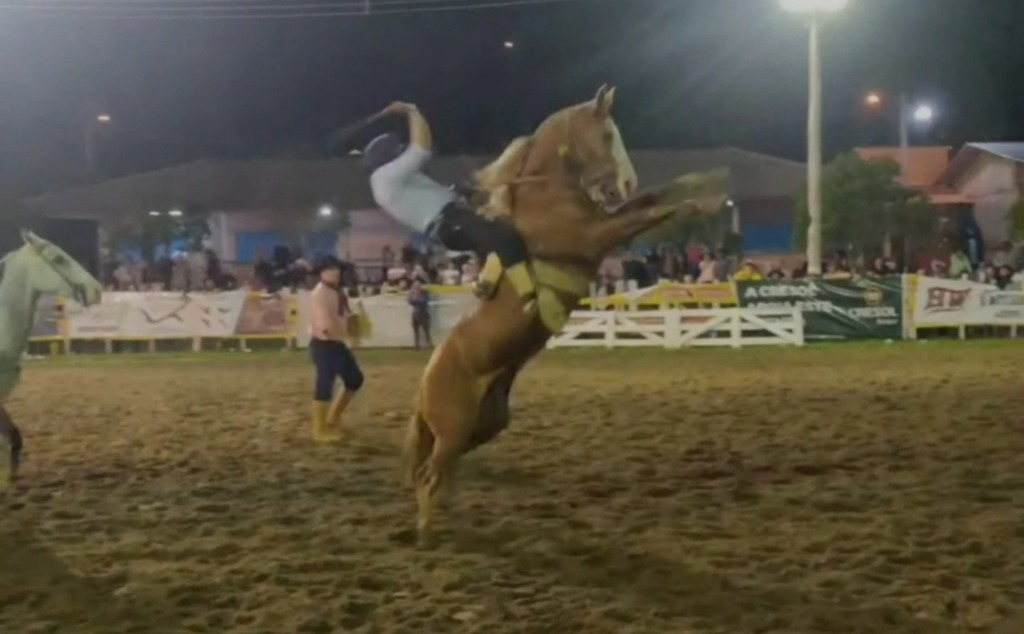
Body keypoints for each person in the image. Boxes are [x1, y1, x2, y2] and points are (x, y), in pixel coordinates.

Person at [364, 101, 535, 310]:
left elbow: (436, 194)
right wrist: (412, 111)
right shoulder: (385, 177)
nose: (402, 152)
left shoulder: (391, 184)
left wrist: (459, 191)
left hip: (448, 223)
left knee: (500, 229)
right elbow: (421, 147)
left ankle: (487, 283)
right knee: (506, 237)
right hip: (449, 221)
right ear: (388, 157)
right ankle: (528, 298)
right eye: (398, 150)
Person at [308, 256, 364, 443]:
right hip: (324, 343)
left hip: (335, 342)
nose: (336, 272)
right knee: (325, 383)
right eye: (331, 269)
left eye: (337, 269)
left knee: (355, 379)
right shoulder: (319, 293)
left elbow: (343, 315)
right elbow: (323, 320)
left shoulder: (337, 292)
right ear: (322, 272)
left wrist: (351, 325)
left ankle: (333, 417)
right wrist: (340, 332)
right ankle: (319, 430)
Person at [408, 279, 433, 349]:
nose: (416, 288)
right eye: (415, 287)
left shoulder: (424, 293)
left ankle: (429, 343)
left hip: (423, 312)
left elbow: (424, 301)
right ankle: (417, 345)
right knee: (416, 329)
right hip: (416, 312)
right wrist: (415, 299)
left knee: (426, 329)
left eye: (417, 286)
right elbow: (410, 301)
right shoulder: (412, 294)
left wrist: (415, 300)